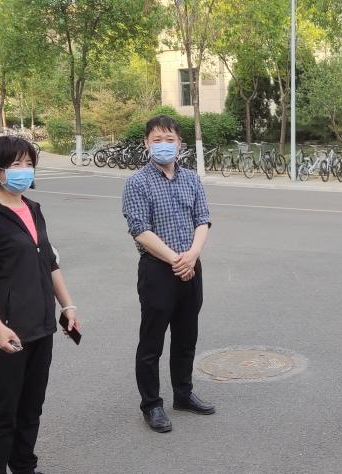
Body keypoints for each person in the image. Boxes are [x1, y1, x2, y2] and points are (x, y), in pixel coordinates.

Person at [0, 136, 80, 474]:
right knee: (2, 414)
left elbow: (49, 263)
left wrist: (67, 306)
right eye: (16, 164)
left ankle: (24, 466)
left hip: (40, 329)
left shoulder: (33, 209)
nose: (24, 170)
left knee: (30, 409)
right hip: (5, 335)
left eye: (29, 163)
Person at [122, 115, 214, 433]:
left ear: (180, 144)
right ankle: (152, 405)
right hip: (158, 270)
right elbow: (140, 229)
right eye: (157, 140)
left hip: (191, 266)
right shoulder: (137, 182)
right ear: (146, 143)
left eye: (170, 140)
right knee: (152, 343)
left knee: (187, 337)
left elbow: (202, 220)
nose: (164, 145)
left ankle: (183, 394)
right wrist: (177, 260)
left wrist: (193, 255)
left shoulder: (191, 179)